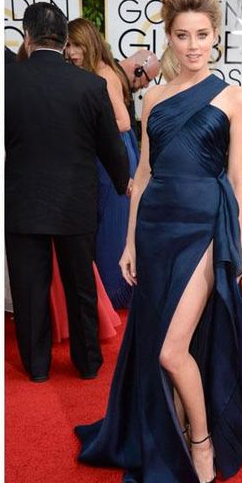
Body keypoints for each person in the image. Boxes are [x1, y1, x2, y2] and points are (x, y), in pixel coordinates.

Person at [75, 0, 242, 483]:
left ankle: (201, 444)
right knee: (160, 337)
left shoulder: (235, 98)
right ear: (169, 37)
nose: (192, 45)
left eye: (202, 35)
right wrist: (129, 242)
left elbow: (238, 179)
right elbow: (142, 174)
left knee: (171, 348)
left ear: (215, 38)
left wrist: (232, 245)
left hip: (205, 229)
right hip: (157, 227)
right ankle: (174, 427)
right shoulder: (154, 97)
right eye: (182, 35)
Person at [5, 2, 129, 382]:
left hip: (22, 203)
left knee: (29, 291)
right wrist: (124, 182)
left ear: (27, 37)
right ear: (63, 40)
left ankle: (38, 367)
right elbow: (112, 145)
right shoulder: (90, 85)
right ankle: (88, 362)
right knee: (81, 288)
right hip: (76, 202)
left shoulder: (7, 81)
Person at [66, 18, 141, 309]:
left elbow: (122, 122)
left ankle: (115, 295)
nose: (72, 52)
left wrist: (86, 128)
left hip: (113, 157)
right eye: (68, 45)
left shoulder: (104, 74)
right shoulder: (86, 73)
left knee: (112, 228)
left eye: (77, 45)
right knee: (100, 227)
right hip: (99, 155)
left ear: (91, 44)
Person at [117, 49, 161, 139]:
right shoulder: (111, 80)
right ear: (138, 70)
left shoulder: (125, 87)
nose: (146, 85)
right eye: (148, 79)